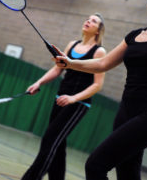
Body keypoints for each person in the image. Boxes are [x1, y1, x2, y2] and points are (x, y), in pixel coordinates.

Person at [53, 0, 147, 180]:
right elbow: (103, 63)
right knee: (127, 174)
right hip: (125, 113)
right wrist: (69, 63)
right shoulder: (134, 35)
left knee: (95, 165)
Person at [21, 13, 106, 180]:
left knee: (50, 140)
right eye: (87, 19)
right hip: (59, 100)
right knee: (58, 146)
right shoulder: (72, 45)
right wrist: (39, 82)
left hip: (78, 104)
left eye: (94, 21)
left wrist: (74, 98)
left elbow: (97, 84)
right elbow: (57, 69)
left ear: (98, 31)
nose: (88, 21)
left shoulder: (99, 52)